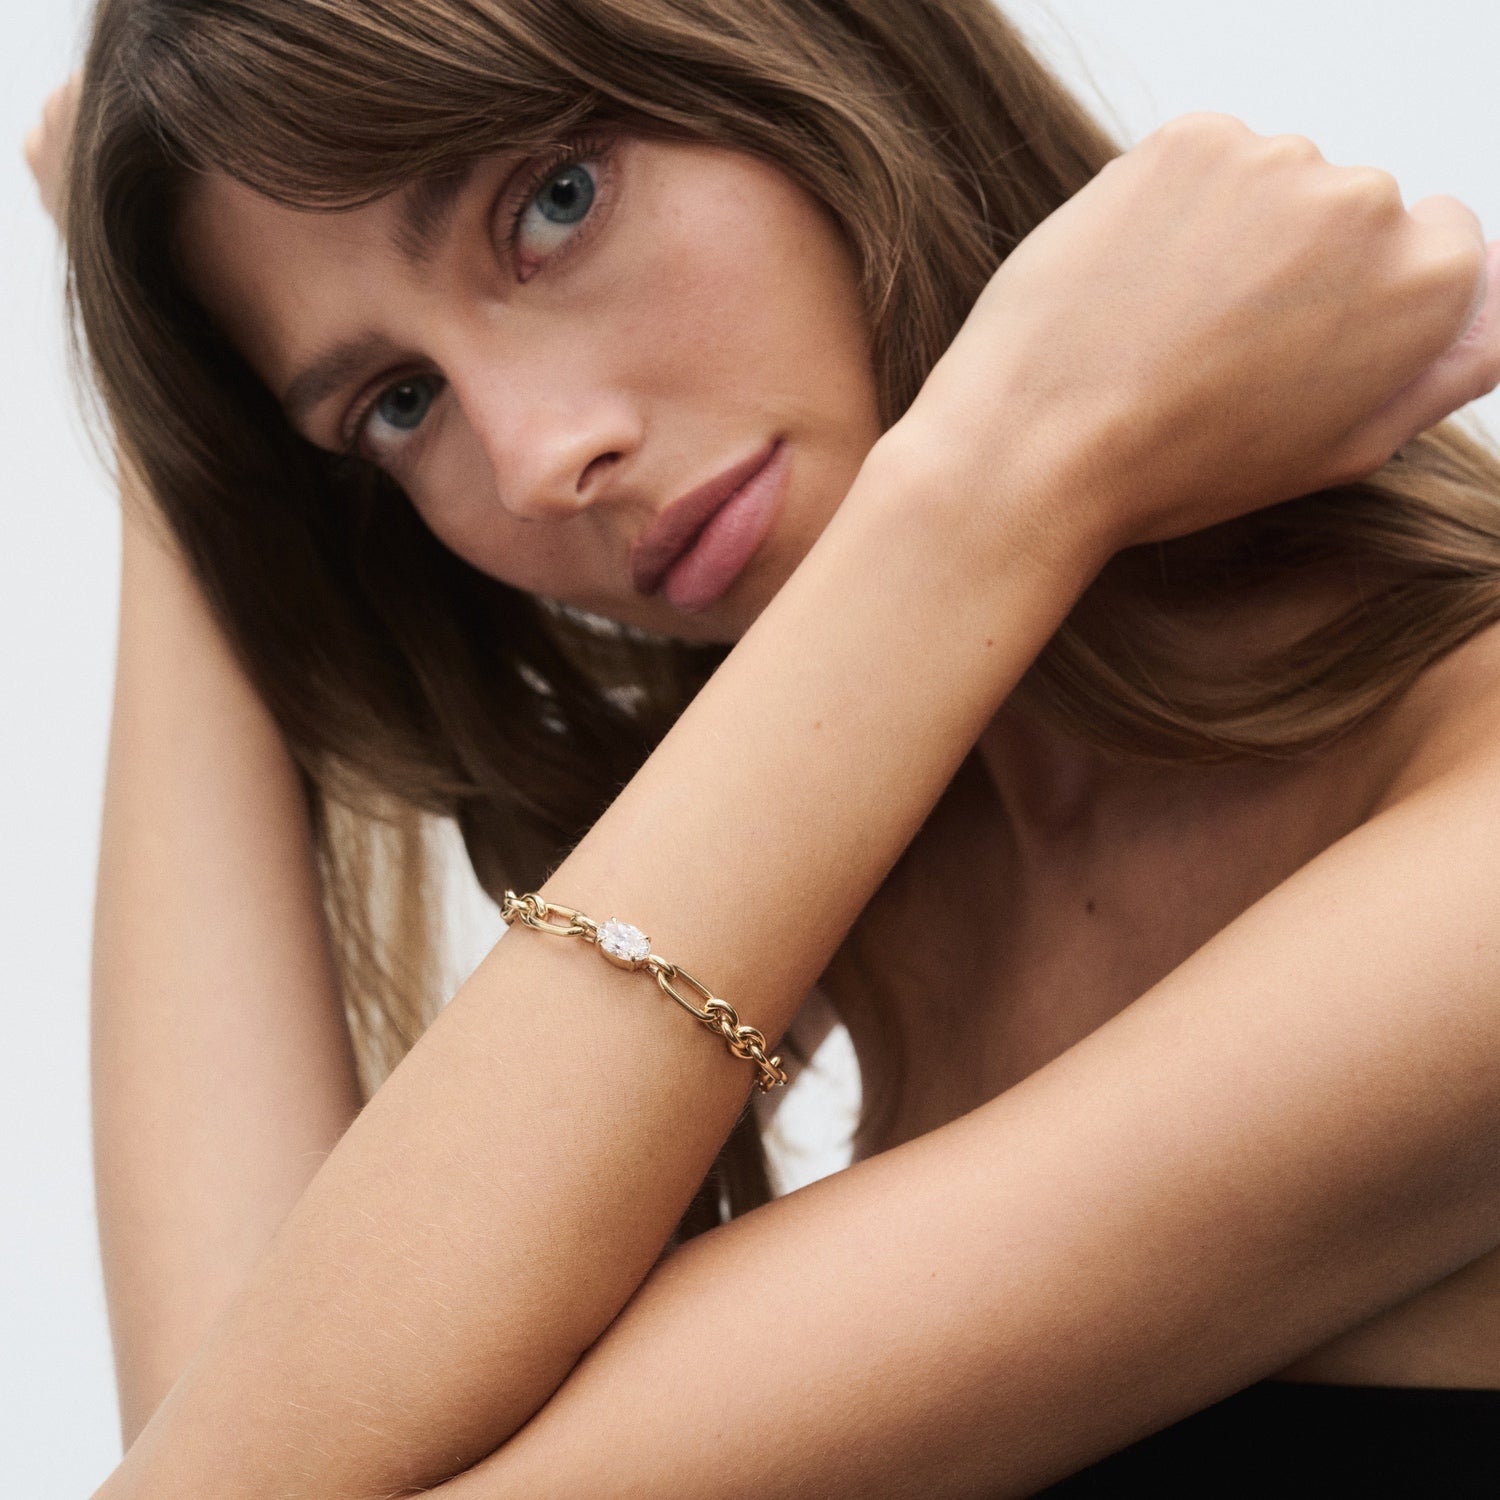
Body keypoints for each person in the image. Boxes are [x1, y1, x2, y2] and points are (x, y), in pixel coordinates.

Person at [29, 0, 1500, 1493]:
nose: (538, 459)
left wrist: (1010, 464)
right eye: (396, 404)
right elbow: (240, 1412)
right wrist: (194, 466)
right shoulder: (897, 873)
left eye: (555, 202)